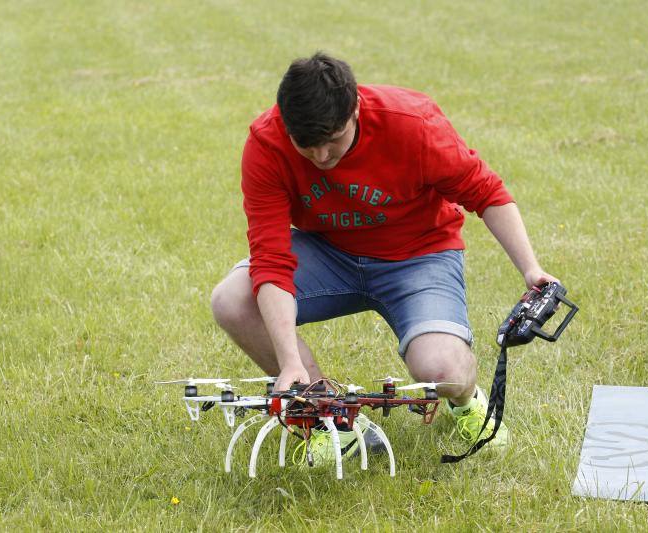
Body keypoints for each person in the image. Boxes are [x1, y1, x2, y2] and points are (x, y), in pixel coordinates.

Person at [210, 52, 558, 461]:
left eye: (333, 139)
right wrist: (288, 363)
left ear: (355, 109)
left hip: (419, 255)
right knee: (232, 300)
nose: (321, 156)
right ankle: (329, 418)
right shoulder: (267, 143)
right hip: (329, 253)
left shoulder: (412, 123)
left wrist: (531, 269)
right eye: (307, 146)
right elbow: (271, 258)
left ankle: (465, 402)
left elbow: (487, 193)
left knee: (443, 370)